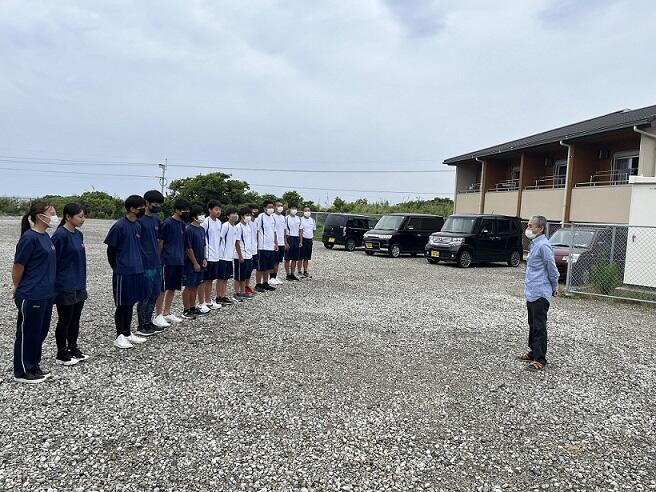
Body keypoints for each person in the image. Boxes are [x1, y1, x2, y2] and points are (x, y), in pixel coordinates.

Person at [12, 202, 57, 383]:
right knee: (28, 332)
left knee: (40, 332)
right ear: (40, 216)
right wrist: (16, 286)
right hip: (31, 293)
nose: (55, 217)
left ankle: (33, 365)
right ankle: (22, 371)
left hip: (46, 293)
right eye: (52, 213)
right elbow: (18, 265)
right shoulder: (29, 238)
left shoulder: (45, 236)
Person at [104, 195, 148, 349]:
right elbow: (111, 250)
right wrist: (116, 267)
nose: (143, 210)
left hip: (137, 269)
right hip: (123, 271)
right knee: (122, 304)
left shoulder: (138, 225)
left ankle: (127, 333)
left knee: (131, 302)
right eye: (141, 207)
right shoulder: (119, 226)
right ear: (132, 209)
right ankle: (119, 336)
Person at [517, 215, 560, 371]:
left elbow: (552, 268)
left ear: (540, 228)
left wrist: (554, 286)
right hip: (532, 291)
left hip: (540, 292)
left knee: (539, 326)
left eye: (531, 226)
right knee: (532, 323)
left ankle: (540, 359)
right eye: (528, 225)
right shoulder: (534, 244)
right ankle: (533, 352)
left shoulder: (544, 246)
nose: (528, 228)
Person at [51, 203, 88, 367]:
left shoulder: (79, 234)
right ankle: (61, 352)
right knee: (65, 319)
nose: (83, 219)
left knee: (75, 318)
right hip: (65, 284)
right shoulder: (60, 235)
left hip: (79, 283)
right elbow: (53, 261)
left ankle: (73, 347)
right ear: (68, 217)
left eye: (84, 216)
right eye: (80, 216)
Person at [155, 198, 191, 324]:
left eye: (188, 210)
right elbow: (161, 242)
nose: (187, 212)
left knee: (172, 287)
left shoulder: (182, 225)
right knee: (163, 288)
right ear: (177, 210)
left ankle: (167, 312)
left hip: (179, 260)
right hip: (167, 260)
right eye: (184, 210)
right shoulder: (167, 223)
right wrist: (159, 258)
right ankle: (158, 314)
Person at [137, 190, 167, 335]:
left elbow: (160, 240)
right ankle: (142, 325)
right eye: (154, 203)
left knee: (155, 293)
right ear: (147, 203)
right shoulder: (139, 220)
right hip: (144, 263)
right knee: (145, 294)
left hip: (156, 262)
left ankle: (149, 322)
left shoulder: (156, 220)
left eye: (159, 203)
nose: (157, 206)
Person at [182, 205, 208, 319]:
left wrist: (205, 258)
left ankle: (192, 307)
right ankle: (186, 309)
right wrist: (195, 263)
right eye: (199, 214)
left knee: (196, 285)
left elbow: (204, 245)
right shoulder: (189, 229)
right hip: (190, 263)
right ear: (193, 217)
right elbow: (188, 248)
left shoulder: (201, 229)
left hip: (201, 261)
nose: (202, 216)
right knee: (189, 286)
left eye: (203, 214)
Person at [199, 200, 223, 311]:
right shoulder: (205, 222)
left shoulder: (219, 222)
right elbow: (202, 238)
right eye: (216, 209)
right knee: (204, 280)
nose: (218, 212)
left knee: (210, 280)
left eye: (219, 209)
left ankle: (208, 300)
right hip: (208, 255)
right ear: (210, 210)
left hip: (216, 255)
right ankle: (201, 302)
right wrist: (204, 256)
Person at [255, 200, 278, 292]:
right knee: (260, 267)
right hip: (262, 246)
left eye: (272, 207)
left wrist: (276, 243)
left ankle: (265, 282)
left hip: (270, 246)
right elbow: (257, 231)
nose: (271, 209)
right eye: (269, 207)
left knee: (268, 267)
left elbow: (274, 232)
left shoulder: (273, 218)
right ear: (264, 208)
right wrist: (257, 244)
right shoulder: (260, 217)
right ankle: (258, 284)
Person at [233, 208, 255, 300]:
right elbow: (237, 242)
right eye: (247, 215)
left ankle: (243, 291)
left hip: (248, 254)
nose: (249, 217)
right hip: (241, 255)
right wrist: (240, 255)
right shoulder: (238, 227)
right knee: (239, 275)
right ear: (242, 216)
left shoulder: (248, 226)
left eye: (250, 215)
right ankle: (237, 293)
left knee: (246, 274)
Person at [244, 204, 260, 296]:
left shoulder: (256, 222)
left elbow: (256, 234)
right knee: (245, 270)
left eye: (256, 210)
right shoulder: (247, 223)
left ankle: (247, 285)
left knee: (251, 269)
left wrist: (257, 245)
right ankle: (242, 287)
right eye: (253, 210)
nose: (255, 211)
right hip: (247, 250)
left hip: (254, 249)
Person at [284, 203, 302, 281]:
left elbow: (300, 230)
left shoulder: (299, 218)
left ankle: (292, 273)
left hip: (296, 239)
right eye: (292, 208)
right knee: (287, 258)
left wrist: (300, 241)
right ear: (289, 209)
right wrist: (285, 242)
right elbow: (284, 231)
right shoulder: (286, 218)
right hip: (289, 238)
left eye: (295, 208)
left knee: (295, 258)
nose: (294, 210)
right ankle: (287, 274)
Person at [270, 200, 286, 285]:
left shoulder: (283, 217)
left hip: (281, 242)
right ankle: (270, 277)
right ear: (274, 207)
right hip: (274, 243)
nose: (280, 207)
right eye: (278, 205)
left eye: (281, 205)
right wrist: (275, 243)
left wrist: (285, 242)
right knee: (273, 261)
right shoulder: (272, 216)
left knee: (278, 261)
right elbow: (273, 231)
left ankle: (275, 276)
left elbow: (284, 230)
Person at [299, 206, 316, 278]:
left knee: (307, 257)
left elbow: (313, 230)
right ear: (303, 212)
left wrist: (311, 238)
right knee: (300, 257)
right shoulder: (301, 220)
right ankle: (299, 270)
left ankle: (305, 271)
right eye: (305, 211)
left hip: (309, 240)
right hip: (303, 239)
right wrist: (300, 241)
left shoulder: (312, 220)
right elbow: (300, 231)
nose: (307, 212)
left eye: (308, 210)